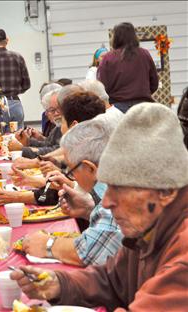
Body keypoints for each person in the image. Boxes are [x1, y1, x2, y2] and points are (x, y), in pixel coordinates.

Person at [11, 103, 188, 311]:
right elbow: (110, 279)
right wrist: (59, 284)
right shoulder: (148, 229)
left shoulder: (182, 257)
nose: (106, 201)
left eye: (120, 190)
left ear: (165, 193)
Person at [22, 120, 123, 266]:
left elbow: (92, 252)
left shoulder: (119, 194)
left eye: (71, 170)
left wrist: (48, 245)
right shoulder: (117, 178)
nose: (72, 177)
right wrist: (89, 210)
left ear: (90, 168)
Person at [98, 22, 158, 113]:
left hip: (118, 108)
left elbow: (101, 86)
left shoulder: (108, 58)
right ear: (134, 36)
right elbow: (154, 83)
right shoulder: (144, 54)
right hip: (143, 106)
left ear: (115, 37)